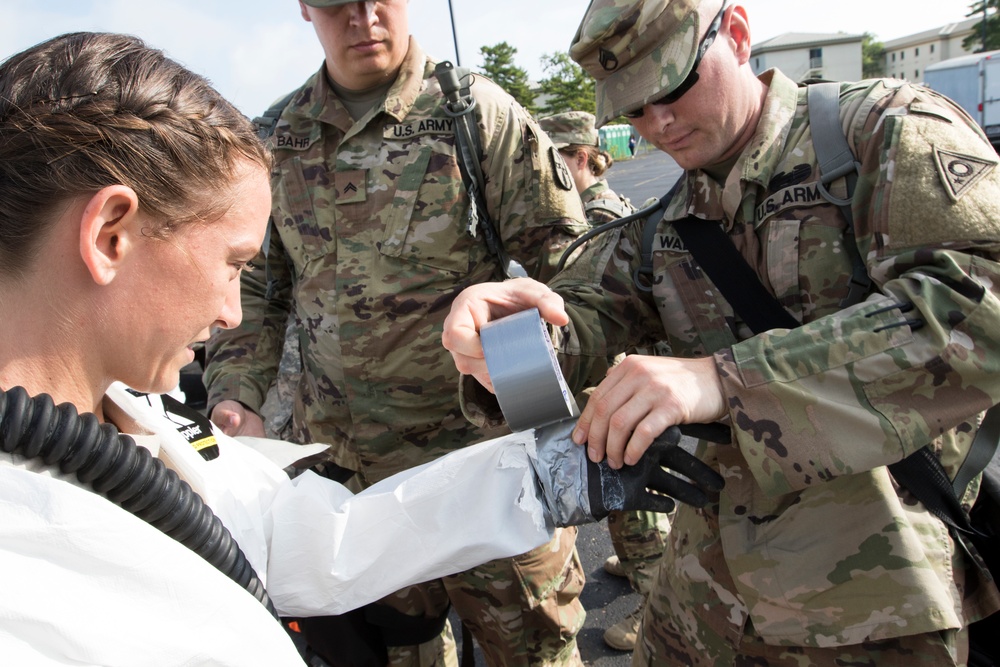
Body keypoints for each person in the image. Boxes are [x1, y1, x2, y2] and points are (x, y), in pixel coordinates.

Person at [0, 30, 714, 667]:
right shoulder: (28, 593)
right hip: (352, 455)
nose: (230, 309)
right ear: (110, 237)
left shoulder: (126, 422)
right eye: (230, 263)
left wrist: (535, 465)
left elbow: (299, 537)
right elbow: (272, 306)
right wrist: (236, 393)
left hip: (464, 447)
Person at [441, 0, 1000, 664]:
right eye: (633, 110)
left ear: (736, 31)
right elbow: (579, 320)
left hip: (868, 609)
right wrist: (500, 337)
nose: (658, 124)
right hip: (701, 603)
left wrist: (723, 382)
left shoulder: (881, 133)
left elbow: (976, 311)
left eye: (672, 87)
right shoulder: (666, 225)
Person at [202, 1, 593, 665]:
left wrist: (536, 352)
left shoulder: (476, 114)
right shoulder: (277, 137)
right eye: (336, 1)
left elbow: (577, 270)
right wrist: (235, 393)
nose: (362, 17)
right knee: (401, 654)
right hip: (358, 492)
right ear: (304, 7)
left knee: (532, 649)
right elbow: (257, 288)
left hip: (485, 469)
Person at [539, 110, 664, 652]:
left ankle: (655, 602)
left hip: (614, 374)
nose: (551, 167)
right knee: (612, 490)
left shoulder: (599, 212)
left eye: (560, 156)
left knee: (630, 494)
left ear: (584, 157)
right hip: (603, 371)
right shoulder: (588, 208)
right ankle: (640, 563)